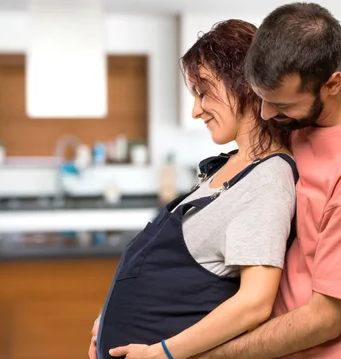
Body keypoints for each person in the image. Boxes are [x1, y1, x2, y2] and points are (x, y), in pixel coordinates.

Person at [193, 3, 341, 359]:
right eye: (260, 99)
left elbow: (324, 319)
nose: (266, 115)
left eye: (280, 105)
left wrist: (207, 355)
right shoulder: (314, 100)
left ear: (331, 84)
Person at [88, 20, 298, 359]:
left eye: (204, 92)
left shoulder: (269, 178)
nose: (196, 110)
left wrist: (163, 353)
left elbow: (254, 303)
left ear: (244, 84)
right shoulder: (226, 165)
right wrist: (108, 318)